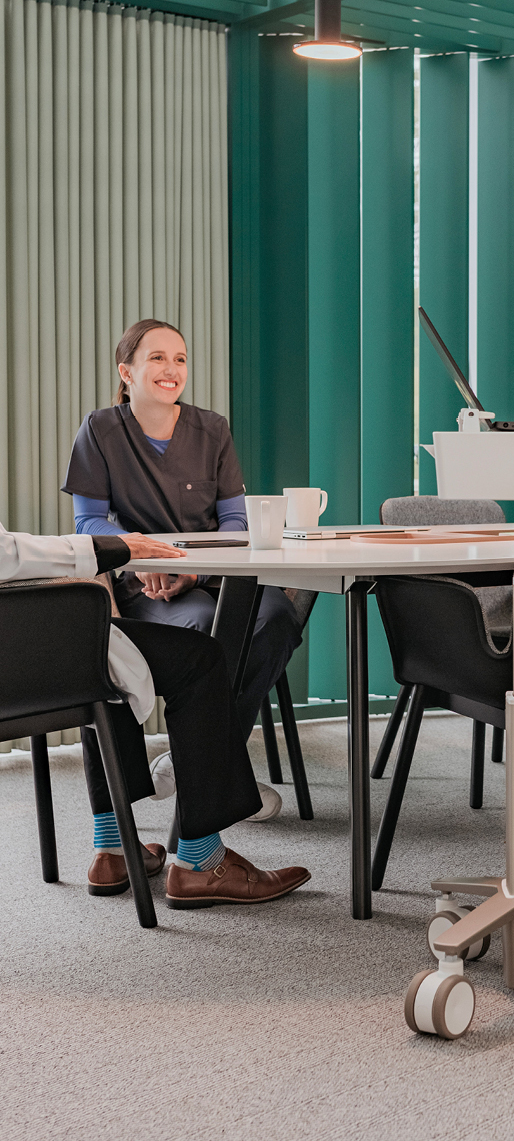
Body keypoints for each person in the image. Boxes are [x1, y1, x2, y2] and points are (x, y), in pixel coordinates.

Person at [62, 318, 302, 821]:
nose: (172, 369)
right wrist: (140, 560)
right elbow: (89, 519)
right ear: (126, 371)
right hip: (142, 581)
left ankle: (195, 761)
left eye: (180, 358)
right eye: (157, 357)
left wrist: (193, 572)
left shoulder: (212, 428)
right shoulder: (100, 429)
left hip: (213, 573)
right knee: (198, 630)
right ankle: (211, 775)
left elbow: (234, 519)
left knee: (277, 616)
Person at [0, 521, 310, 908]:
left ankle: (113, 850)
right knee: (199, 659)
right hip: (19, 653)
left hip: (18, 646)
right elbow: (6, 554)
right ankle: (202, 863)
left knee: (105, 653)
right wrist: (113, 547)